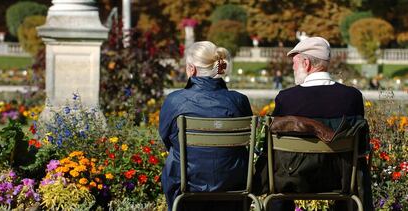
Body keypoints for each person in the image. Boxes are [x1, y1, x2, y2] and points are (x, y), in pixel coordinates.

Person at [253, 37, 373, 210]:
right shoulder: (351, 96)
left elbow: (272, 145)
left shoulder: (287, 98)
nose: (292, 68)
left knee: (274, 160)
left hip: (292, 179)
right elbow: (361, 147)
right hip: (342, 179)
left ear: (306, 63)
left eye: (294, 63)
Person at [159, 41, 253, 211]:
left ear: (191, 69)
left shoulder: (175, 101)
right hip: (233, 181)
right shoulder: (239, 101)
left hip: (187, 182)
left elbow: (166, 139)